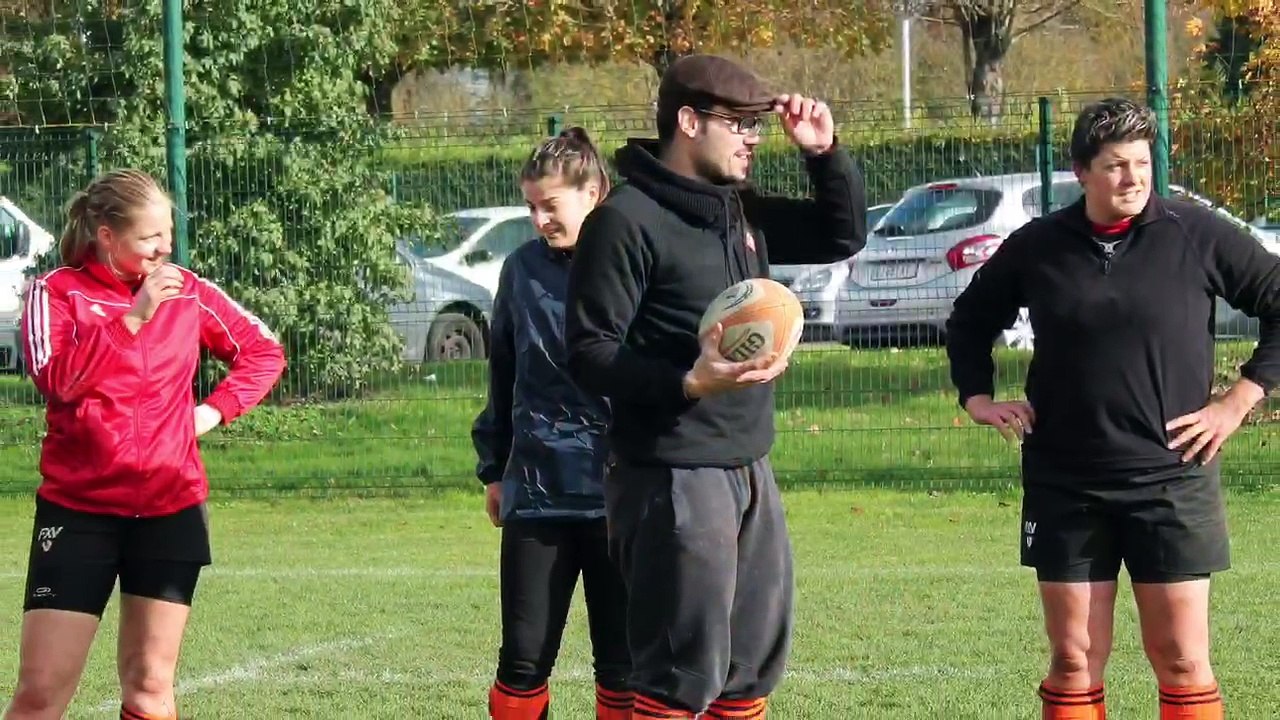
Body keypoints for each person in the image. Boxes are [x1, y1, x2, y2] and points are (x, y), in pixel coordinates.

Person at [945, 97, 1280, 720]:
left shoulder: (1195, 233)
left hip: (1173, 476)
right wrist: (978, 397)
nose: (1133, 178)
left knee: (1181, 656)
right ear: (1083, 173)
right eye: (1116, 165)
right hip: (1066, 480)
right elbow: (968, 321)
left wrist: (1239, 399)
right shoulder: (1040, 245)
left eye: (1142, 163)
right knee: (1074, 657)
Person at [563, 55, 868, 719]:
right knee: (679, 676)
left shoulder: (737, 211)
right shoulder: (625, 221)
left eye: (758, 125)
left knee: (748, 673)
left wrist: (824, 155)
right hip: (670, 475)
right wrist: (687, 381)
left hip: (748, 463)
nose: (753, 138)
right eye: (739, 123)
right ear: (688, 120)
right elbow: (589, 354)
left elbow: (841, 234)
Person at [5, 168, 287, 720]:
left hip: (171, 508)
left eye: (168, 235)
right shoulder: (55, 293)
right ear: (106, 235)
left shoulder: (189, 292)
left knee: (151, 687)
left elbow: (264, 351)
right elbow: (56, 378)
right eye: (148, 238)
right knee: (41, 693)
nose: (164, 249)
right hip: (79, 512)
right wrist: (132, 320)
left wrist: (212, 411)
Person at [472, 128, 632, 720]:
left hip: (622, 492)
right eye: (531, 207)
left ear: (594, 191)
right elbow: (504, 372)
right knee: (521, 663)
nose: (539, 219)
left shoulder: (634, 261)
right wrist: (494, 468)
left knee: (622, 666)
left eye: (551, 205)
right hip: (538, 493)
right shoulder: (521, 271)